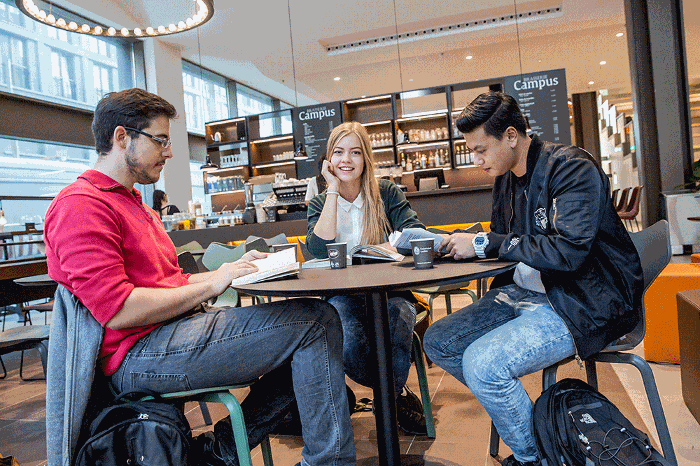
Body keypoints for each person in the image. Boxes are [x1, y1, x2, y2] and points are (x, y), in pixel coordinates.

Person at [43, 88, 355, 466]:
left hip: (170, 335)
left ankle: (220, 451)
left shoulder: (135, 204)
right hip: (136, 356)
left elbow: (169, 284)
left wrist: (228, 270)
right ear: (121, 137)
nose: (170, 152)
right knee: (316, 323)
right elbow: (120, 310)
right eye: (160, 140)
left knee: (310, 335)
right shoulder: (81, 205)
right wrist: (211, 284)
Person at [423, 91, 643, 466]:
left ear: (511, 136)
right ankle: (537, 431)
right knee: (438, 340)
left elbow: (568, 252)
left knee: (483, 365)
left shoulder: (571, 169)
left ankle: (534, 457)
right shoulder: (506, 178)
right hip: (524, 292)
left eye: (480, 150)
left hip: (582, 301)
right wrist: (468, 242)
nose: (476, 161)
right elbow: (504, 239)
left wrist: (488, 242)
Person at [306, 121, 427, 435]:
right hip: (341, 295)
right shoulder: (320, 202)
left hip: (391, 290)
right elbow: (317, 249)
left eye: (355, 152)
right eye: (339, 152)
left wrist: (379, 246)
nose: (347, 160)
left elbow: (415, 233)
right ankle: (390, 394)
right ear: (329, 161)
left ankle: (391, 397)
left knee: (399, 320)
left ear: (366, 159)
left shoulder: (385, 192)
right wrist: (332, 190)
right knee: (348, 340)